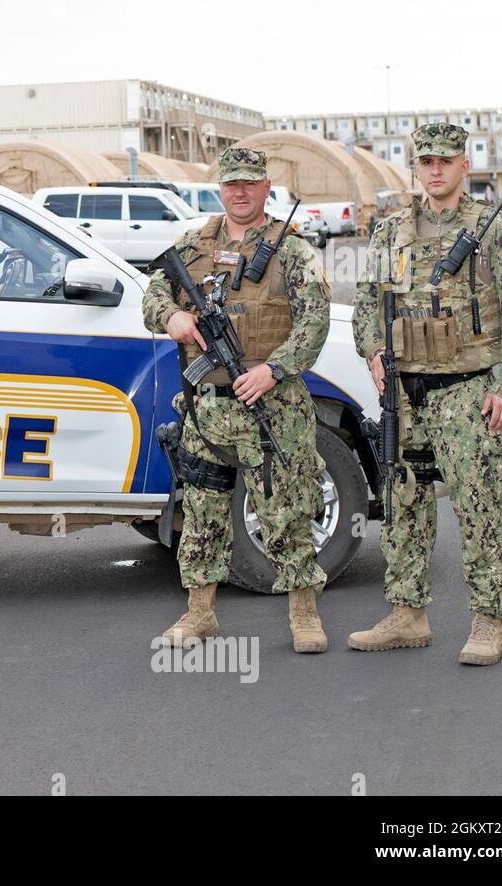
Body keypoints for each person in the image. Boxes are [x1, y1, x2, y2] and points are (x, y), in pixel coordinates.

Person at [348, 123, 502, 665]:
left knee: (479, 504)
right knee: (405, 500)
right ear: (416, 167)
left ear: (463, 167)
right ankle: (407, 613)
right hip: (406, 394)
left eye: (445, 161)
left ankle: (490, 620)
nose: (435, 169)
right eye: (426, 160)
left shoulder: (494, 228)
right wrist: (372, 352)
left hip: (466, 390)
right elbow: (367, 302)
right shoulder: (390, 232)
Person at [143, 147, 332, 653]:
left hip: (272, 405)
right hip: (208, 408)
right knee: (202, 510)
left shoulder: (291, 250)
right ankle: (199, 613)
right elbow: (152, 292)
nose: (241, 192)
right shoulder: (192, 244)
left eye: (250, 183)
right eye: (232, 184)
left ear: (267, 187)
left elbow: (315, 322)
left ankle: (304, 613)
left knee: (287, 509)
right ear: (219, 188)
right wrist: (171, 317)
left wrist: (273, 370)